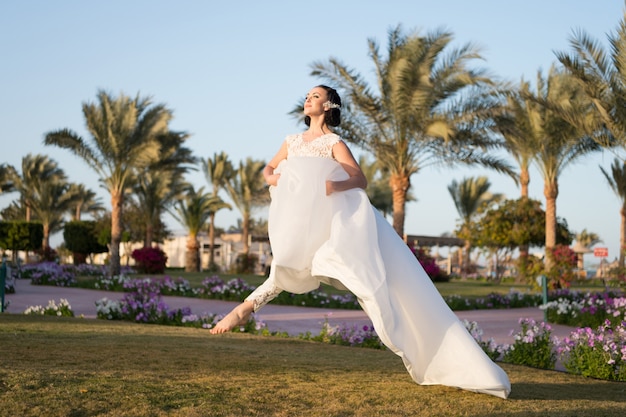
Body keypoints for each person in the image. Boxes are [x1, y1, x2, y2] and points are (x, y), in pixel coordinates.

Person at [210, 85, 511, 399]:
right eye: (307, 96)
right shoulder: (292, 141)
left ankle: (403, 331)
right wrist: (275, 179)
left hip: (335, 224)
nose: (307, 99)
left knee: (366, 283)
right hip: (301, 220)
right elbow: (268, 169)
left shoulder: (333, 142)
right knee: (289, 265)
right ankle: (245, 308)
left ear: (329, 106)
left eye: (315, 96)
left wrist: (332, 184)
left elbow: (359, 179)